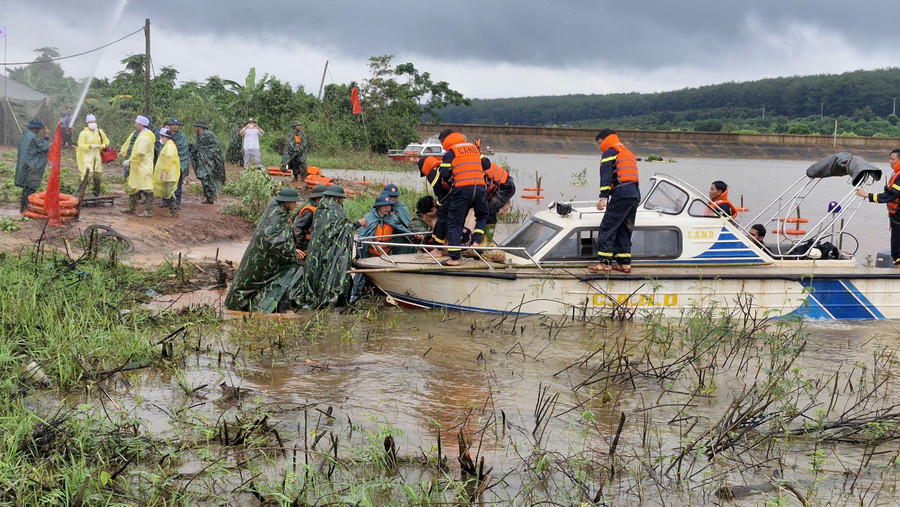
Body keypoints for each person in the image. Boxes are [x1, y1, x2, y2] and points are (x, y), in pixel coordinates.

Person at [225, 187, 305, 313]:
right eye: (294, 202)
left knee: (263, 282)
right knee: (252, 281)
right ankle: (245, 306)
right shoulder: (276, 214)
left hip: (269, 255)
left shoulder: (278, 211)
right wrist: (292, 250)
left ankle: (268, 308)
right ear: (287, 202)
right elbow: (271, 238)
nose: (295, 205)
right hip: (263, 256)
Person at [587, 129, 640, 274]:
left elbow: (606, 176)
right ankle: (624, 264)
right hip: (634, 194)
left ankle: (604, 263)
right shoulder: (626, 150)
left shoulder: (610, 151)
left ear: (604, 140)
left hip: (621, 193)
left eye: (599, 143)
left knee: (607, 227)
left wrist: (603, 197)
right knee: (624, 228)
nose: (600, 147)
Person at [294, 185, 354, 308]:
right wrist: (304, 246)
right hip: (309, 250)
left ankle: (326, 300)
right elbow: (297, 228)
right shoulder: (311, 211)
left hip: (315, 250)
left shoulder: (320, 210)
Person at [437, 130, 490, 266]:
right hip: (479, 188)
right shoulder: (474, 149)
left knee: (455, 222)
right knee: (483, 215)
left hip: (461, 189)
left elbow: (443, 173)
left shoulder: (451, 152)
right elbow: (487, 165)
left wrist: (451, 178)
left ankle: (454, 258)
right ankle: (476, 242)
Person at [856, 148, 900, 268]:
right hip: (895, 217)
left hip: (898, 218)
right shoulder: (896, 173)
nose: (890, 161)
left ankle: (897, 274)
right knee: (896, 247)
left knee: (898, 249)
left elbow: (891, 195)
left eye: (893, 159)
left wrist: (867, 195)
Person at [121, 115, 155, 217]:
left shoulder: (145, 137)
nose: (134, 125)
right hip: (138, 167)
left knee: (147, 188)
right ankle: (131, 208)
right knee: (134, 187)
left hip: (143, 167)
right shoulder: (142, 135)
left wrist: (130, 160)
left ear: (141, 125)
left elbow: (140, 153)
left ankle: (148, 211)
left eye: (136, 123)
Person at [14, 119, 50, 212]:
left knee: (26, 187)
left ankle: (23, 207)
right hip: (31, 165)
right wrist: (46, 138)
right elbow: (43, 148)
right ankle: (26, 208)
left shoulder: (25, 135)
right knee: (30, 186)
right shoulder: (33, 137)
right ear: (36, 129)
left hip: (24, 163)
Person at [190, 121, 226, 204]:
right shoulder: (199, 135)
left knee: (208, 176)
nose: (194, 128)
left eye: (195, 127)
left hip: (211, 160)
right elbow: (198, 147)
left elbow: (210, 148)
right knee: (205, 177)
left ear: (199, 127)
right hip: (204, 160)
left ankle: (211, 196)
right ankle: (209, 196)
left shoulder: (207, 135)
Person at [75, 114, 110, 197]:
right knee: (88, 173)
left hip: (98, 155)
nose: (93, 123)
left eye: (94, 122)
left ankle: (96, 193)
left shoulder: (99, 131)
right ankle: (80, 191)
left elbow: (106, 140)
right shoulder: (83, 133)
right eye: (91, 122)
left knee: (98, 173)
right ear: (87, 123)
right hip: (87, 155)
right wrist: (90, 146)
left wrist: (104, 145)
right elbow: (81, 144)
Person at [291, 184, 327, 260]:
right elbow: (296, 227)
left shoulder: (317, 208)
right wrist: (303, 246)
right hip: (302, 247)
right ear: (318, 198)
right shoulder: (309, 211)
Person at [483, 160, 516, 245]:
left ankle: (488, 242)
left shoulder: (476, 167)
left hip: (505, 187)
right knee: (482, 210)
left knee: (489, 211)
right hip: (494, 184)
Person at [151, 128, 181, 217]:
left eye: (161, 136)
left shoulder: (170, 146)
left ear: (164, 137)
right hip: (168, 174)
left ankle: (173, 211)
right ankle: (173, 210)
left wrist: (165, 171)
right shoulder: (168, 145)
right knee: (167, 192)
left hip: (170, 175)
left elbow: (169, 159)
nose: (160, 138)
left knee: (169, 193)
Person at [164, 117, 191, 207]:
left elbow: (184, 152)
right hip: (168, 163)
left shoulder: (182, 136)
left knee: (178, 184)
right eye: (173, 125)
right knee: (166, 182)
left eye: (177, 125)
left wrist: (182, 166)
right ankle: (165, 200)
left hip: (178, 163)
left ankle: (176, 203)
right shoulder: (166, 135)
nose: (175, 127)